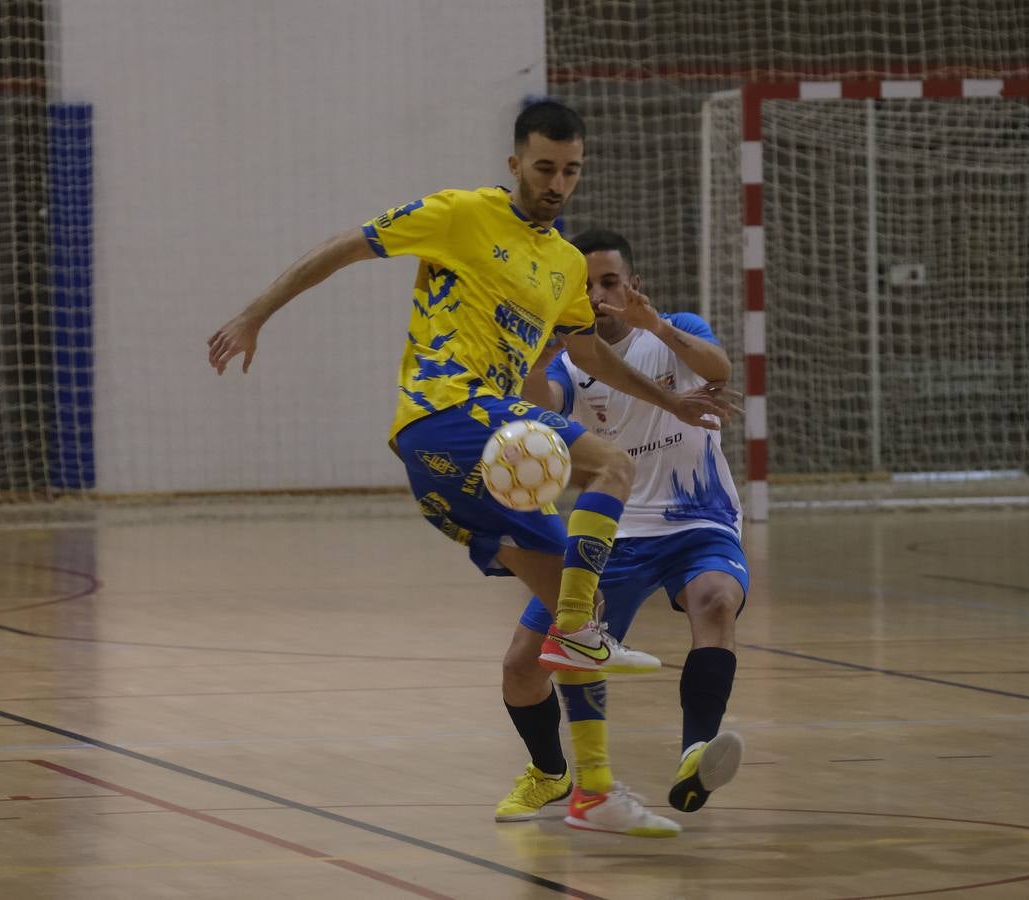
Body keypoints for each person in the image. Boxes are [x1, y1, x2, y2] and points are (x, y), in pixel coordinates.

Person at [207, 101, 735, 678]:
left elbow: (589, 355)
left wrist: (672, 401)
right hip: (449, 408)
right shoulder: (459, 213)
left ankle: (557, 769)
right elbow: (346, 246)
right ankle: (580, 633)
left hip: (457, 456)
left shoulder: (563, 263)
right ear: (515, 163)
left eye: (570, 170)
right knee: (611, 468)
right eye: (544, 168)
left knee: (568, 615)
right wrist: (255, 314)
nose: (557, 184)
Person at [495, 229, 748, 837]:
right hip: (612, 535)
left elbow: (718, 367)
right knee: (522, 669)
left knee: (715, 600)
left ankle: (695, 752)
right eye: (584, 286)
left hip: (699, 518)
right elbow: (538, 400)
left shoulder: (676, 330)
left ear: (631, 285)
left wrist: (657, 325)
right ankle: (552, 771)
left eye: (609, 282)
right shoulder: (567, 360)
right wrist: (539, 342)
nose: (599, 295)